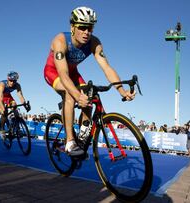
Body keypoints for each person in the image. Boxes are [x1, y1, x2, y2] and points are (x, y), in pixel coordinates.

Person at [43, 6, 135, 156]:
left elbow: (107, 68)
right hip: (54, 72)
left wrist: (121, 91)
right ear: (72, 27)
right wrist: (77, 96)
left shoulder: (94, 42)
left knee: (90, 97)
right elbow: (63, 73)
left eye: (90, 28)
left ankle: (82, 137)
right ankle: (70, 142)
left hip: (73, 73)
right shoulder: (60, 40)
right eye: (82, 27)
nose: (86, 32)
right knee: (70, 94)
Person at [0, 71, 30, 138]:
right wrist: (3, 108)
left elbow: (20, 96)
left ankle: (18, 128)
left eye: (14, 81)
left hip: (8, 96)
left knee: (15, 106)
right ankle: (1, 129)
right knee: (4, 112)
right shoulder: (2, 84)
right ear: (8, 79)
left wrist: (25, 105)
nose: (12, 83)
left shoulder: (17, 85)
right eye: (11, 80)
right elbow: (1, 98)